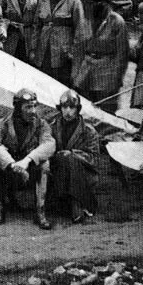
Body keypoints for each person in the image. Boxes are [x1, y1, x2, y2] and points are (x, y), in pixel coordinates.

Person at [0, 89, 55, 229]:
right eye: (28, 107)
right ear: (17, 108)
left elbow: (49, 144)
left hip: (29, 168)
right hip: (10, 172)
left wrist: (27, 160)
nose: (33, 111)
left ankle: (40, 211)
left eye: (35, 106)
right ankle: (0, 207)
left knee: (44, 164)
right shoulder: (3, 124)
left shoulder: (41, 124)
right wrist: (11, 164)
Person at [72, 0, 130, 114]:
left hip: (106, 74)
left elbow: (122, 55)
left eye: (97, 3)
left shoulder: (117, 22)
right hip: (86, 72)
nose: (93, 7)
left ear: (105, 3)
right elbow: (79, 48)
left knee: (106, 112)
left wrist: (116, 80)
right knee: (85, 110)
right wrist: (76, 74)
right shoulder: (85, 21)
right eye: (90, 3)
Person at [49, 90, 100, 224]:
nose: (68, 111)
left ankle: (76, 203)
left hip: (83, 173)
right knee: (64, 160)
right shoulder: (53, 127)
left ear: (78, 109)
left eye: (72, 107)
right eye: (64, 107)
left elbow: (94, 159)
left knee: (71, 159)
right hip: (59, 172)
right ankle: (70, 203)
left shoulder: (88, 130)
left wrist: (73, 154)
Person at [33, 0, 90, 86]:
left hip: (63, 54)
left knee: (61, 86)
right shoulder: (43, 0)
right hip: (44, 52)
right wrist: (33, 49)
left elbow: (80, 31)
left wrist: (74, 52)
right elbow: (36, 26)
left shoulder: (73, 2)